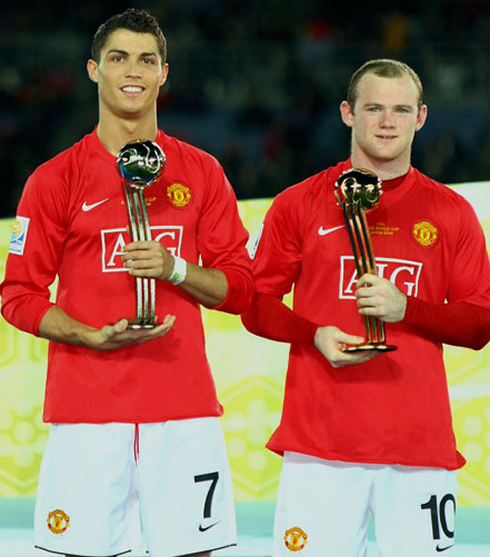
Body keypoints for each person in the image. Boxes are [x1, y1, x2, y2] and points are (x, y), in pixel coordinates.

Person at [0, 8, 253, 557]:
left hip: (182, 410)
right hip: (87, 412)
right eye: (118, 58)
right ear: (94, 70)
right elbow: (17, 295)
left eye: (146, 59)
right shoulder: (52, 180)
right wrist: (88, 335)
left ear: (165, 73)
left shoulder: (203, 171)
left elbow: (241, 287)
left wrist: (176, 269)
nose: (132, 71)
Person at [241, 58, 490, 556]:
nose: (386, 121)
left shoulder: (451, 211)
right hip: (320, 447)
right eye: (373, 108)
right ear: (346, 113)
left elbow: (479, 324)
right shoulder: (298, 203)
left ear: (421, 118)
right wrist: (313, 334)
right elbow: (255, 303)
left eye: (400, 110)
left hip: (419, 449)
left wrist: (408, 309)